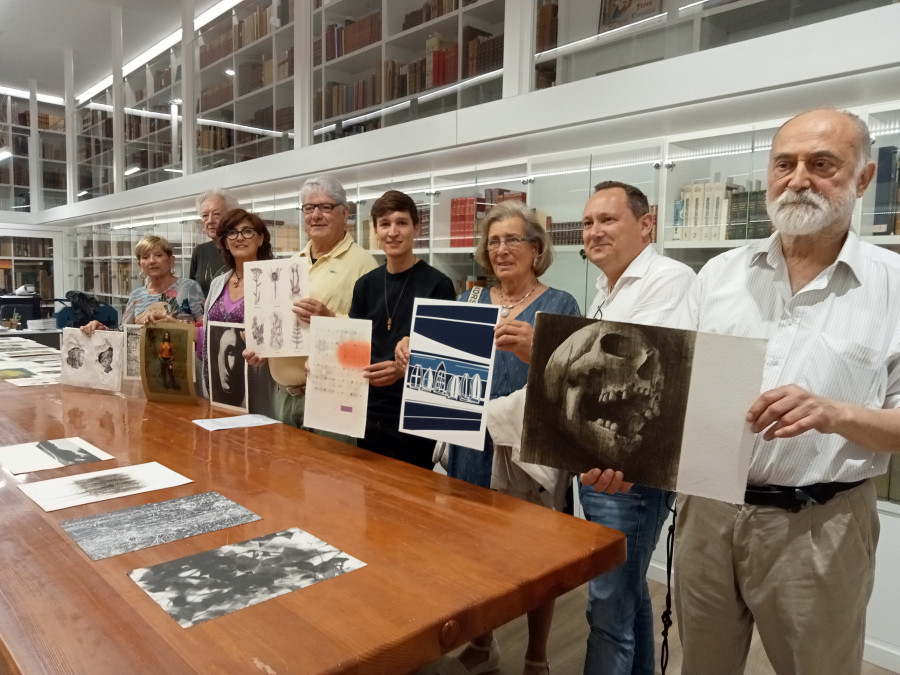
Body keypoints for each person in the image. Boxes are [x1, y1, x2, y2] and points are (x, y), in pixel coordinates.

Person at [670, 108, 900, 674]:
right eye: (785, 163)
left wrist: (836, 412)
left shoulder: (893, 287)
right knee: (703, 665)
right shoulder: (718, 276)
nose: (798, 179)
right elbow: (671, 393)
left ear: (863, 178)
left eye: (823, 164)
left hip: (821, 527)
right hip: (706, 514)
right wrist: (627, 455)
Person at [400, 200, 580, 675]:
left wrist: (536, 351)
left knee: (534, 557)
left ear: (536, 249)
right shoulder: (469, 301)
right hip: (467, 444)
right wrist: (412, 352)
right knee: (473, 553)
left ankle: (537, 655)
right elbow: (443, 373)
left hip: (522, 449)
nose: (501, 250)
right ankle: (483, 644)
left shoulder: (560, 304)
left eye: (513, 240)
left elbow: (569, 382)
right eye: (493, 241)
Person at [576, 181, 698, 675]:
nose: (594, 232)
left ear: (645, 225)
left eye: (608, 220)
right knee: (627, 597)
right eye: (587, 223)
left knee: (607, 607)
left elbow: (642, 375)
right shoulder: (607, 288)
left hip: (632, 472)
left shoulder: (669, 279)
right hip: (601, 462)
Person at [245, 175, 377, 434]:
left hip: (332, 397)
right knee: (287, 474)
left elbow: (373, 336)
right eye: (308, 208)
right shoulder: (292, 264)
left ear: (345, 213)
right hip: (283, 397)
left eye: (325, 207)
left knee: (329, 474)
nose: (316, 215)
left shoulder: (365, 265)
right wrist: (263, 348)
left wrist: (329, 319)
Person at [348, 190, 456, 468]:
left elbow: (445, 361)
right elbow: (352, 347)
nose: (393, 232)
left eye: (402, 223)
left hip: (414, 418)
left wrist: (402, 368)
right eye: (385, 224)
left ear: (416, 228)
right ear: (375, 230)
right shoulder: (365, 286)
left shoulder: (438, 285)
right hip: (368, 415)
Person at [201, 208, 273, 401]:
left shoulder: (273, 283)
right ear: (225, 241)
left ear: (260, 239)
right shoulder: (218, 283)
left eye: (247, 231)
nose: (239, 237)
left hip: (259, 386)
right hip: (218, 388)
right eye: (232, 232)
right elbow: (208, 334)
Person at [81, 235, 204, 335]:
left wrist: (176, 323)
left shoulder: (189, 287)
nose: (152, 261)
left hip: (183, 360)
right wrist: (101, 328)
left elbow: (205, 329)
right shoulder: (136, 296)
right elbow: (123, 333)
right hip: (144, 362)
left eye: (158, 255)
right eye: (145, 257)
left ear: (171, 261)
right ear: (140, 264)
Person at [190, 188, 239, 296]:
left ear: (231, 216)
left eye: (216, 214)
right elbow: (192, 294)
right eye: (205, 215)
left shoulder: (242, 249)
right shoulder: (200, 252)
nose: (210, 221)